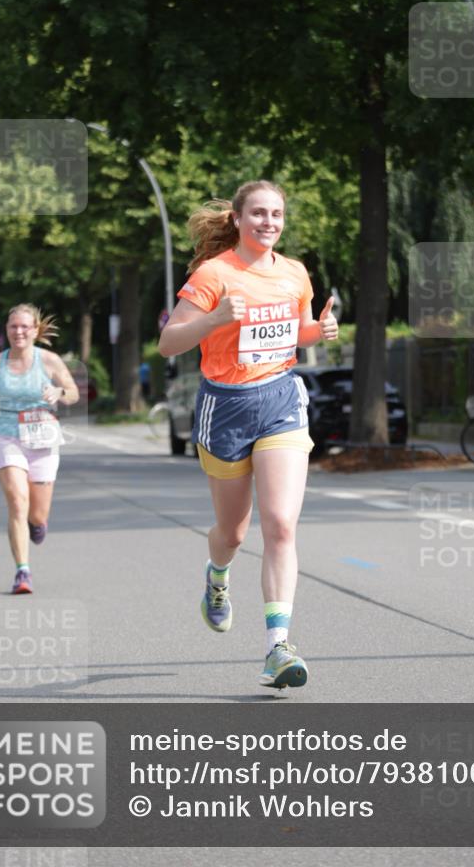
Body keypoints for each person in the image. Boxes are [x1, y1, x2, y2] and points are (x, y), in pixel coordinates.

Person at [158, 180, 338, 689]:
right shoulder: (213, 274)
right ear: (237, 219)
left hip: (281, 400)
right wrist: (213, 318)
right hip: (226, 407)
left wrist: (317, 332)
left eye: (276, 214)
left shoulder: (296, 274)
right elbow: (169, 342)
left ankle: (277, 647)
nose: (268, 222)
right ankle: (217, 577)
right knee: (233, 533)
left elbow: (294, 333)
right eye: (258, 213)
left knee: (280, 524)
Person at [0, 304, 79, 594]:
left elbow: (73, 392)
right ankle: (23, 572)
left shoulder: (49, 361)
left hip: (43, 439)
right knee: (17, 503)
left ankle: (37, 524)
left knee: (38, 515)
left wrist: (58, 392)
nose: (18, 332)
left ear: (34, 330)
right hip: (8, 436)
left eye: (24, 327)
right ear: (6, 330)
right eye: (12, 327)